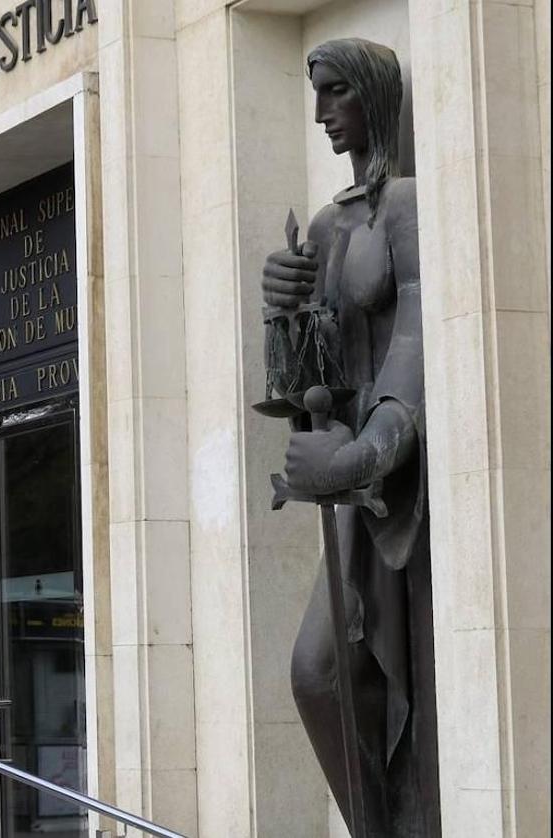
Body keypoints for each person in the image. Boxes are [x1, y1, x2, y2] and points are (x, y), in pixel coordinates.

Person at [261, 39, 440, 835]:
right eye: (317, 94)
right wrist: (283, 308)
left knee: (366, 677)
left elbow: (418, 345)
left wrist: (364, 453)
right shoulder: (333, 220)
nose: (321, 113)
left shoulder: (406, 203)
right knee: (316, 673)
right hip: (352, 482)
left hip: (401, 478)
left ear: (373, 93)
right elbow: (310, 378)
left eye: (336, 93)